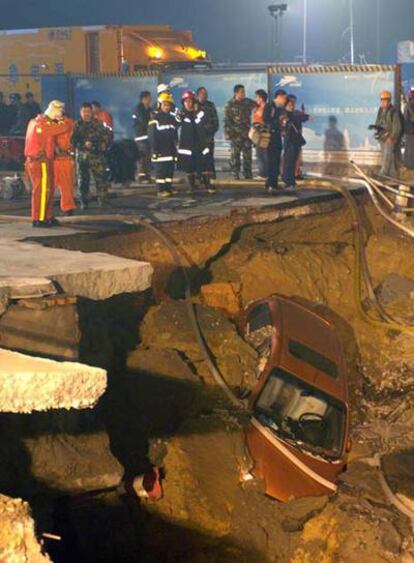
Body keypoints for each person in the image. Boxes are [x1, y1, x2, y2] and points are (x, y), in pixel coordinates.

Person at [25, 100, 71, 227]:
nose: (61, 113)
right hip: (40, 162)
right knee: (42, 190)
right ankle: (39, 218)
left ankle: (47, 216)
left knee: (48, 189)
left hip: (45, 160)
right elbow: (65, 127)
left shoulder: (37, 122)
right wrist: (63, 120)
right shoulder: (43, 125)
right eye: (60, 111)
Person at [72, 102, 112, 209]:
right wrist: (83, 144)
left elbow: (108, 135)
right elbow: (72, 141)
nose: (86, 114)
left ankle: (103, 201)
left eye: (88, 111)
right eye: (84, 111)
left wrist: (105, 143)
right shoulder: (76, 125)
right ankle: (84, 202)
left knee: (101, 180)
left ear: (92, 112)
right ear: (80, 112)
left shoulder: (99, 124)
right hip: (82, 157)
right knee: (83, 181)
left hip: (97, 157)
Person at [177, 90, 215, 194]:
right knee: (189, 168)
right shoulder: (181, 114)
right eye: (186, 101)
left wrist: (196, 112)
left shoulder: (200, 112)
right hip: (187, 146)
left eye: (190, 101)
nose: (188, 103)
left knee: (204, 166)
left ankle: (209, 186)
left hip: (200, 144)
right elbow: (175, 123)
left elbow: (205, 124)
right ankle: (191, 187)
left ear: (194, 102)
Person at [148, 92, 179, 198]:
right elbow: (152, 137)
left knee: (169, 172)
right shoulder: (155, 119)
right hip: (160, 152)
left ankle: (168, 188)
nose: (167, 107)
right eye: (165, 105)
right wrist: (155, 151)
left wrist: (175, 150)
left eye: (168, 105)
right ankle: (161, 190)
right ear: (160, 105)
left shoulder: (171, 119)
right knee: (160, 172)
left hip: (170, 151)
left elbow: (174, 135)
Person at [224, 84, 256, 180]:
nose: (244, 93)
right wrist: (227, 132)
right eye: (242, 92)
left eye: (244, 92)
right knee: (235, 155)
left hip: (246, 134)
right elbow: (226, 120)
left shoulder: (248, 102)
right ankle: (235, 174)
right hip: (235, 134)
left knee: (247, 156)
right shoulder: (230, 104)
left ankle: (248, 174)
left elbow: (258, 106)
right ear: (236, 93)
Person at [282, 95, 310, 188]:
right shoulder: (284, 115)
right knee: (288, 162)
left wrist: (306, 116)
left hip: (296, 141)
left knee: (294, 161)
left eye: (293, 104)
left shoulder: (295, 114)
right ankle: (288, 181)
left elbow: (302, 118)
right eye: (290, 104)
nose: (292, 106)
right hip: (289, 141)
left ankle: (292, 180)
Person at [264, 89, 288, 193]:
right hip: (271, 136)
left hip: (278, 136)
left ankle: (273, 182)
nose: (285, 100)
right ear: (279, 96)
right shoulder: (270, 106)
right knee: (272, 161)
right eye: (284, 98)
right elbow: (265, 119)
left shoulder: (280, 108)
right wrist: (277, 121)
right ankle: (271, 184)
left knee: (277, 160)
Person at [374, 90, 403, 178]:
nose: (382, 102)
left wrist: (392, 137)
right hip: (382, 137)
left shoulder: (394, 112)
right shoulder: (380, 110)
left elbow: (397, 127)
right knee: (387, 156)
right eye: (381, 100)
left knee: (387, 157)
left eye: (384, 100)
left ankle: (383, 174)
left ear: (389, 101)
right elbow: (378, 122)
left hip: (390, 138)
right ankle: (392, 175)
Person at [54, 114, 77, 216]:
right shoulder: (69, 124)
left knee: (64, 185)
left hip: (62, 159)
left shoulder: (67, 124)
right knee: (66, 186)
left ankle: (68, 208)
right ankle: (68, 208)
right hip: (57, 159)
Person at [196, 87, 219, 178]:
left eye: (206, 93)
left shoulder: (210, 105)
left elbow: (215, 122)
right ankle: (199, 177)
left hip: (208, 137)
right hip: (197, 138)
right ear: (198, 95)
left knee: (209, 158)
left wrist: (210, 132)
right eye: (203, 94)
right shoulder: (194, 105)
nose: (205, 95)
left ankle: (211, 177)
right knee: (198, 158)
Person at [133, 91, 153, 183]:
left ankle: (147, 176)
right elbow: (143, 121)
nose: (150, 99)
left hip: (148, 136)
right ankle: (141, 177)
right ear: (144, 99)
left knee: (148, 156)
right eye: (149, 98)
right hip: (141, 136)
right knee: (142, 157)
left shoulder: (149, 109)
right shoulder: (138, 109)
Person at [252, 89, 269, 180]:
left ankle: (263, 174)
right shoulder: (258, 107)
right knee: (261, 153)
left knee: (262, 154)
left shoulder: (265, 108)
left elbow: (263, 119)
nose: (256, 99)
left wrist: (257, 111)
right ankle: (264, 173)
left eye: (257, 97)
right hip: (258, 133)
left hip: (262, 133)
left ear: (261, 98)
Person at [404, 88, 414, 169]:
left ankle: (408, 164)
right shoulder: (410, 105)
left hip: (408, 129)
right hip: (411, 130)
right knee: (411, 148)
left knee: (408, 147)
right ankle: (410, 165)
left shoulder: (408, 105)